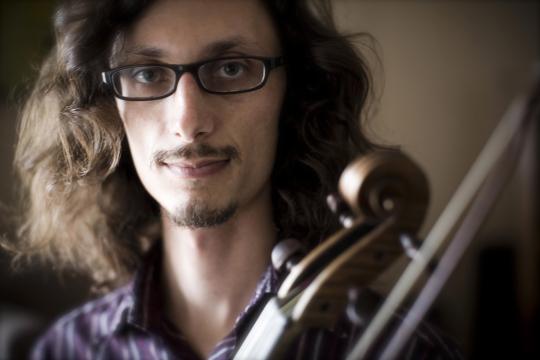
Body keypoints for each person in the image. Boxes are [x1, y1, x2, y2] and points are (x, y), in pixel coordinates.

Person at [6, 0, 462, 358]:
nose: (189, 121)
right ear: (109, 109)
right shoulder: (66, 350)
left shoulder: (400, 350)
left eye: (231, 68)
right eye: (146, 73)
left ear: (295, 93)